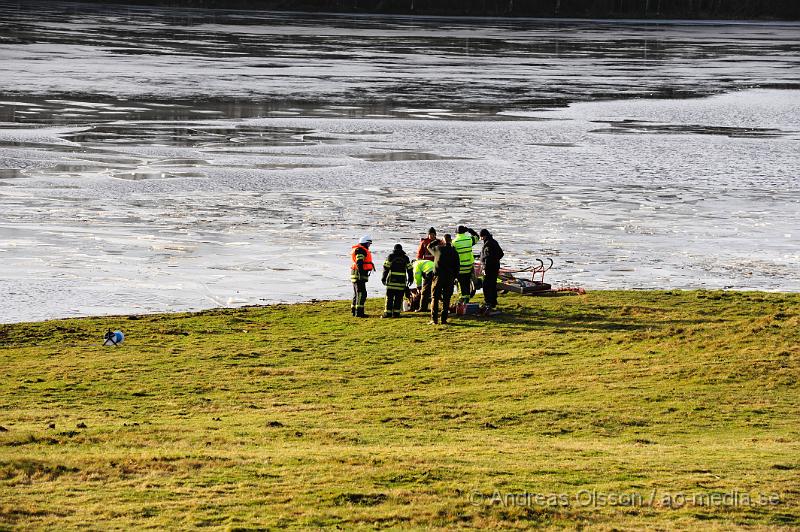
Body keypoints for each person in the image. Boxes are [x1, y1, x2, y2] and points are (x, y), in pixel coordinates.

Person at [428, 234, 460, 325]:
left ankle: (434, 320)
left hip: (438, 277)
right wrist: (454, 277)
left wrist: (437, 241)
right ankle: (444, 319)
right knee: (446, 298)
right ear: (450, 241)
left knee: (435, 297)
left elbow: (428, 246)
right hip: (449, 277)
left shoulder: (438, 249)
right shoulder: (454, 252)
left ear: (443, 240)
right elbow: (457, 267)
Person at [381, 244, 413, 318]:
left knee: (389, 298)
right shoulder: (405, 258)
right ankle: (396, 313)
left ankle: (387, 313)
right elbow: (410, 269)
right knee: (399, 298)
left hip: (391, 282)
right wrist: (411, 279)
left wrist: (383, 278)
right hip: (401, 282)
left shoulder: (391, 257)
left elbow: (386, 268)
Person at [452, 225, 479, 303]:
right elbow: (477, 237)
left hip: (460, 266)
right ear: (464, 232)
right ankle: (467, 298)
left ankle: (462, 298)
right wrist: (470, 230)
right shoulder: (469, 239)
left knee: (460, 282)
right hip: (469, 265)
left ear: (456, 233)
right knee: (467, 281)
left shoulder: (454, 242)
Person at [479, 228, 504, 312]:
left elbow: (487, 258)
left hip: (489, 268)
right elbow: (501, 253)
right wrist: (496, 260)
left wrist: (485, 267)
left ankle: (488, 302)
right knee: (493, 284)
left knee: (486, 285)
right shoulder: (494, 242)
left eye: (481, 237)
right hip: (496, 266)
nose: (481, 238)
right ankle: (493, 301)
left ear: (484, 236)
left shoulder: (487, 245)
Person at [350, 235, 374, 318]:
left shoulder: (359, 249)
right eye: (368, 244)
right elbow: (359, 262)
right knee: (361, 294)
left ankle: (354, 311)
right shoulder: (360, 250)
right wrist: (360, 274)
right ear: (365, 243)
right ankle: (359, 313)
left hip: (355, 274)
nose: (369, 246)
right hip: (359, 275)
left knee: (356, 293)